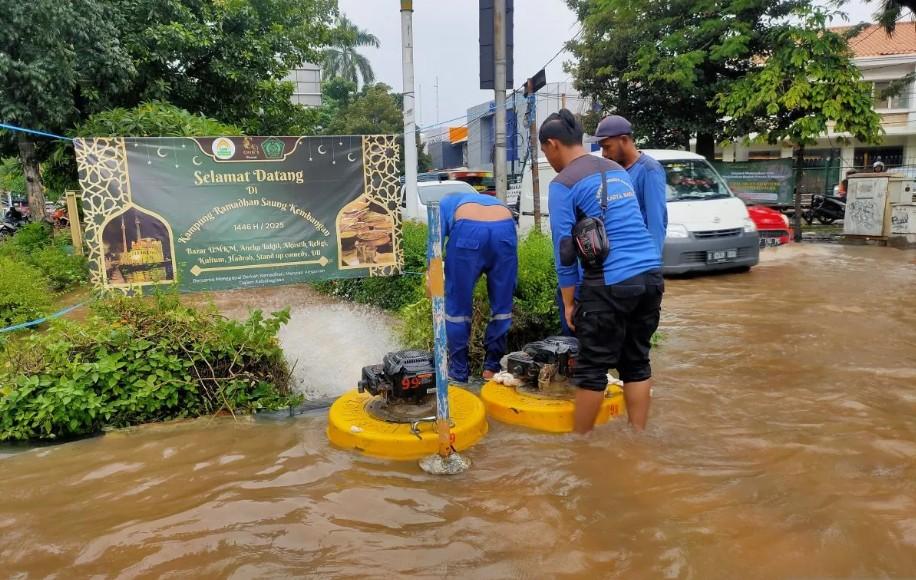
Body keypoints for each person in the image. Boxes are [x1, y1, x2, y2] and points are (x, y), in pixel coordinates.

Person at [540, 109, 664, 433]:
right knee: (637, 362)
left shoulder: (563, 184)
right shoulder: (618, 170)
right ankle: (638, 438)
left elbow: (565, 250)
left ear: (552, 144)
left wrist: (569, 303)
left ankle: (581, 448)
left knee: (591, 369)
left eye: (544, 151)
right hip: (651, 276)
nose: (548, 158)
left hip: (611, 282)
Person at [428, 190, 518, 383]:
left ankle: (459, 372)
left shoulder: (445, 203)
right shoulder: (491, 200)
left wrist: (432, 279)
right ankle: (491, 368)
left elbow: (435, 244)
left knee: (457, 309)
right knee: (502, 308)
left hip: (467, 231)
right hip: (505, 228)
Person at [590, 115, 668, 259]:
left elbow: (656, 222)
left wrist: (651, 261)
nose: (604, 154)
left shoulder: (649, 170)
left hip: (639, 258)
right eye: (602, 148)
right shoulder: (612, 170)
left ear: (624, 140)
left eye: (607, 147)